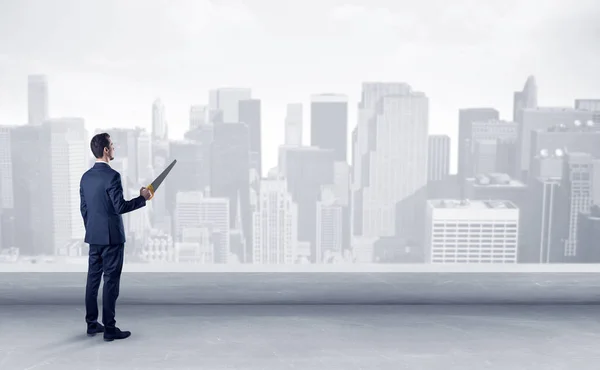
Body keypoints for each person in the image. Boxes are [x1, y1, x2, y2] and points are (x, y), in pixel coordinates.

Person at [80, 132, 151, 341]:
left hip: (94, 237)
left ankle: (92, 324)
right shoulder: (112, 176)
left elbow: (84, 209)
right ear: (105, 150)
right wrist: (142, 198)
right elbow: (119, 206)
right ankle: (110, 329)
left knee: (92, 281)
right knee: (110, 282)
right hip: (112, 239)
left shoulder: (86, 177)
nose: (114, 148)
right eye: (112, 145)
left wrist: (93, 229)